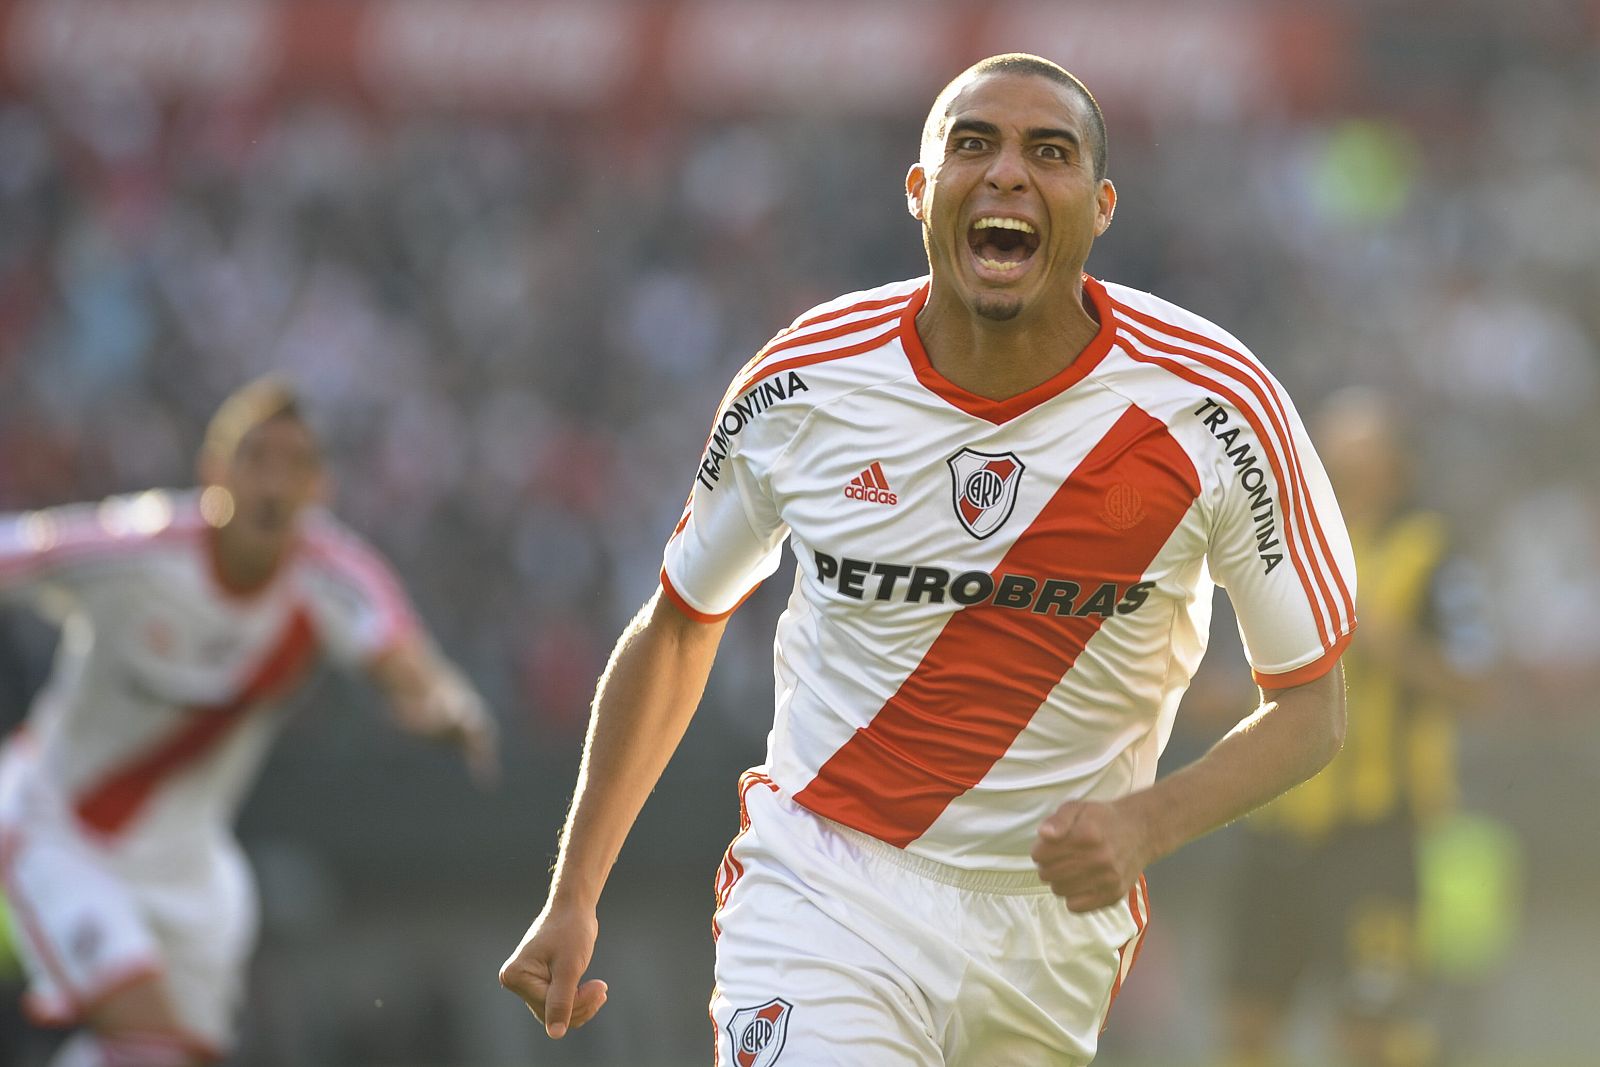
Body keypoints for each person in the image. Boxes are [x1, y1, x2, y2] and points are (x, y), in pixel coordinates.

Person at [500, 53, 1357, 1066]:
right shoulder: (806, 380)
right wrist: (574, 891)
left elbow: (1311, 705)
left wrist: (1144, 825)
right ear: (919, 191)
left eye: (1049, 151)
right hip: (828, 882)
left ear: (1100, 204)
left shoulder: (1213, 404)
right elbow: (685, 618)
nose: (1006, 174)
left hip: (1049, 927)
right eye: (971, 143)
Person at [0, 377, 497, 1067]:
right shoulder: (137, 547)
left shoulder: (330, 575)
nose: (273, 482)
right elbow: (21, 549)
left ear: (319, 487)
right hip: (58, 831)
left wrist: (447, 709)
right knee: (151, 1043)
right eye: (255, 458)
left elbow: (405, 656)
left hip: (191, 869)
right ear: (214, 472)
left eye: (295, 465)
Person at [1221, 389, 1490, 1067]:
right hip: (1274, 819)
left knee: (1372, 1029)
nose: (1341, 467)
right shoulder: (1279, 537)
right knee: (1248, 1017)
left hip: (1377, 827)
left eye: (1358, 453)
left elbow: (1474, 681)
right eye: (1332, 452)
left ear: (1396, 464)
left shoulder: (1432, 551)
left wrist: (1380, 637)